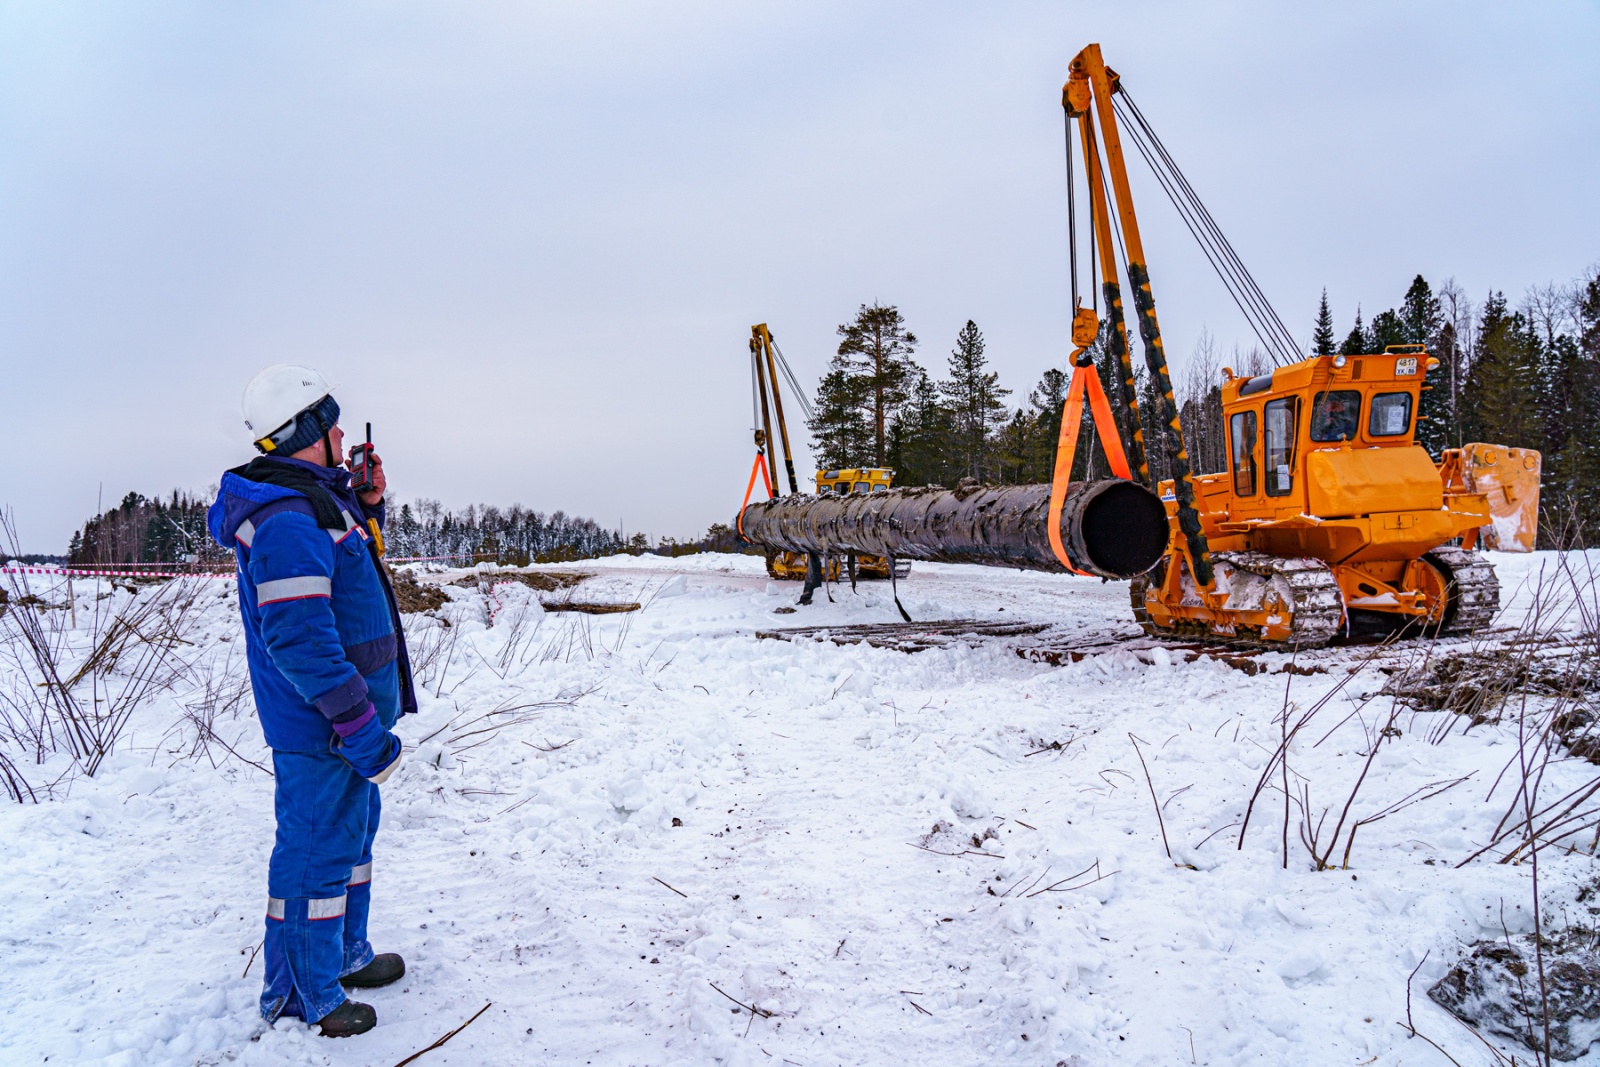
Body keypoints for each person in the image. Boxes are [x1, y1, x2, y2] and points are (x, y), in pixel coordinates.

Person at [207, 365, 418, 1038]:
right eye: (330, 424)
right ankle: (301, 991)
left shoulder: (318, 503)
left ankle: (342, 955)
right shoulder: (289, 519)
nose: (341, 434)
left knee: (350, 839)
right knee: (315, 848)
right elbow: (299, 638)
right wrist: (358, 725)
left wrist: (369, 501)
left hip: (345, 721)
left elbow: (348, 580)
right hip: (324, 723)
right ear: (306, 433)